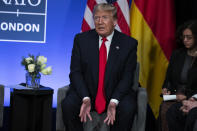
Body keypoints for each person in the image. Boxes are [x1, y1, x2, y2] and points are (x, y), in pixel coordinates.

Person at [61, 3, 137, 131]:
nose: (100, 22)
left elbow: (127, 77)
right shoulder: (81, 40)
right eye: (96, 18)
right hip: (87, 92)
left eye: (105, 18)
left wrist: (114, 101)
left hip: (115, 93)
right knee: (68, 104)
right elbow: (75, 72)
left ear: (115, 22)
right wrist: (85, 98)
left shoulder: (128, 44)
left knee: (128, 107)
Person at [160, 20, 197, 131]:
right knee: (167, 110)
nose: (185, 40)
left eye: (189, 37)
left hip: (192, 97)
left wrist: (187, 97)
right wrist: (166, 88)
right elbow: (168, 77)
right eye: (183, 37)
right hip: (175, 95)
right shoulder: (177, 54)